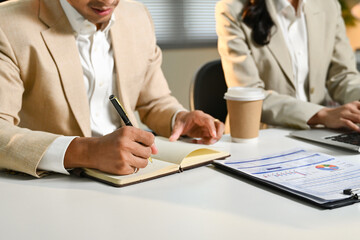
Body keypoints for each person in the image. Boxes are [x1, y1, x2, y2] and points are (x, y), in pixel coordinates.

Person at [0, 0, 224, 177]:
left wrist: (178, 117)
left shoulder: (137, 17)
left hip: (133, 178)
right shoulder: (8, 25)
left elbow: (153, 100)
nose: (107, 1)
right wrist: (87, 152)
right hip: (52, 184)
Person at [216, 0, 360, 131]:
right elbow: (248, 94)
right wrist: (321, 114)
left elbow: (343, 76)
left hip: (319, 134)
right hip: (262, 135)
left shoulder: (328, 5)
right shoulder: (232, 9)